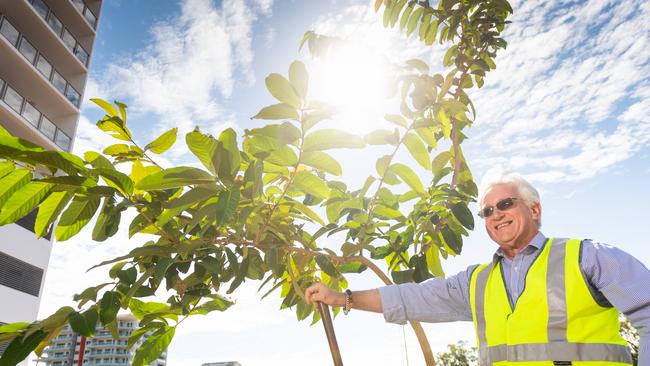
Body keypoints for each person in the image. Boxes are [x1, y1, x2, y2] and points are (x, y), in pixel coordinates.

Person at [305, 171, 649, 365]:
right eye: (486, 211)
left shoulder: (587, 257)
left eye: (505, 204)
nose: (496, 214)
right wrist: (342, 298)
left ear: (535, 209)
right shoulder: (477, 282)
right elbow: (412, 298)